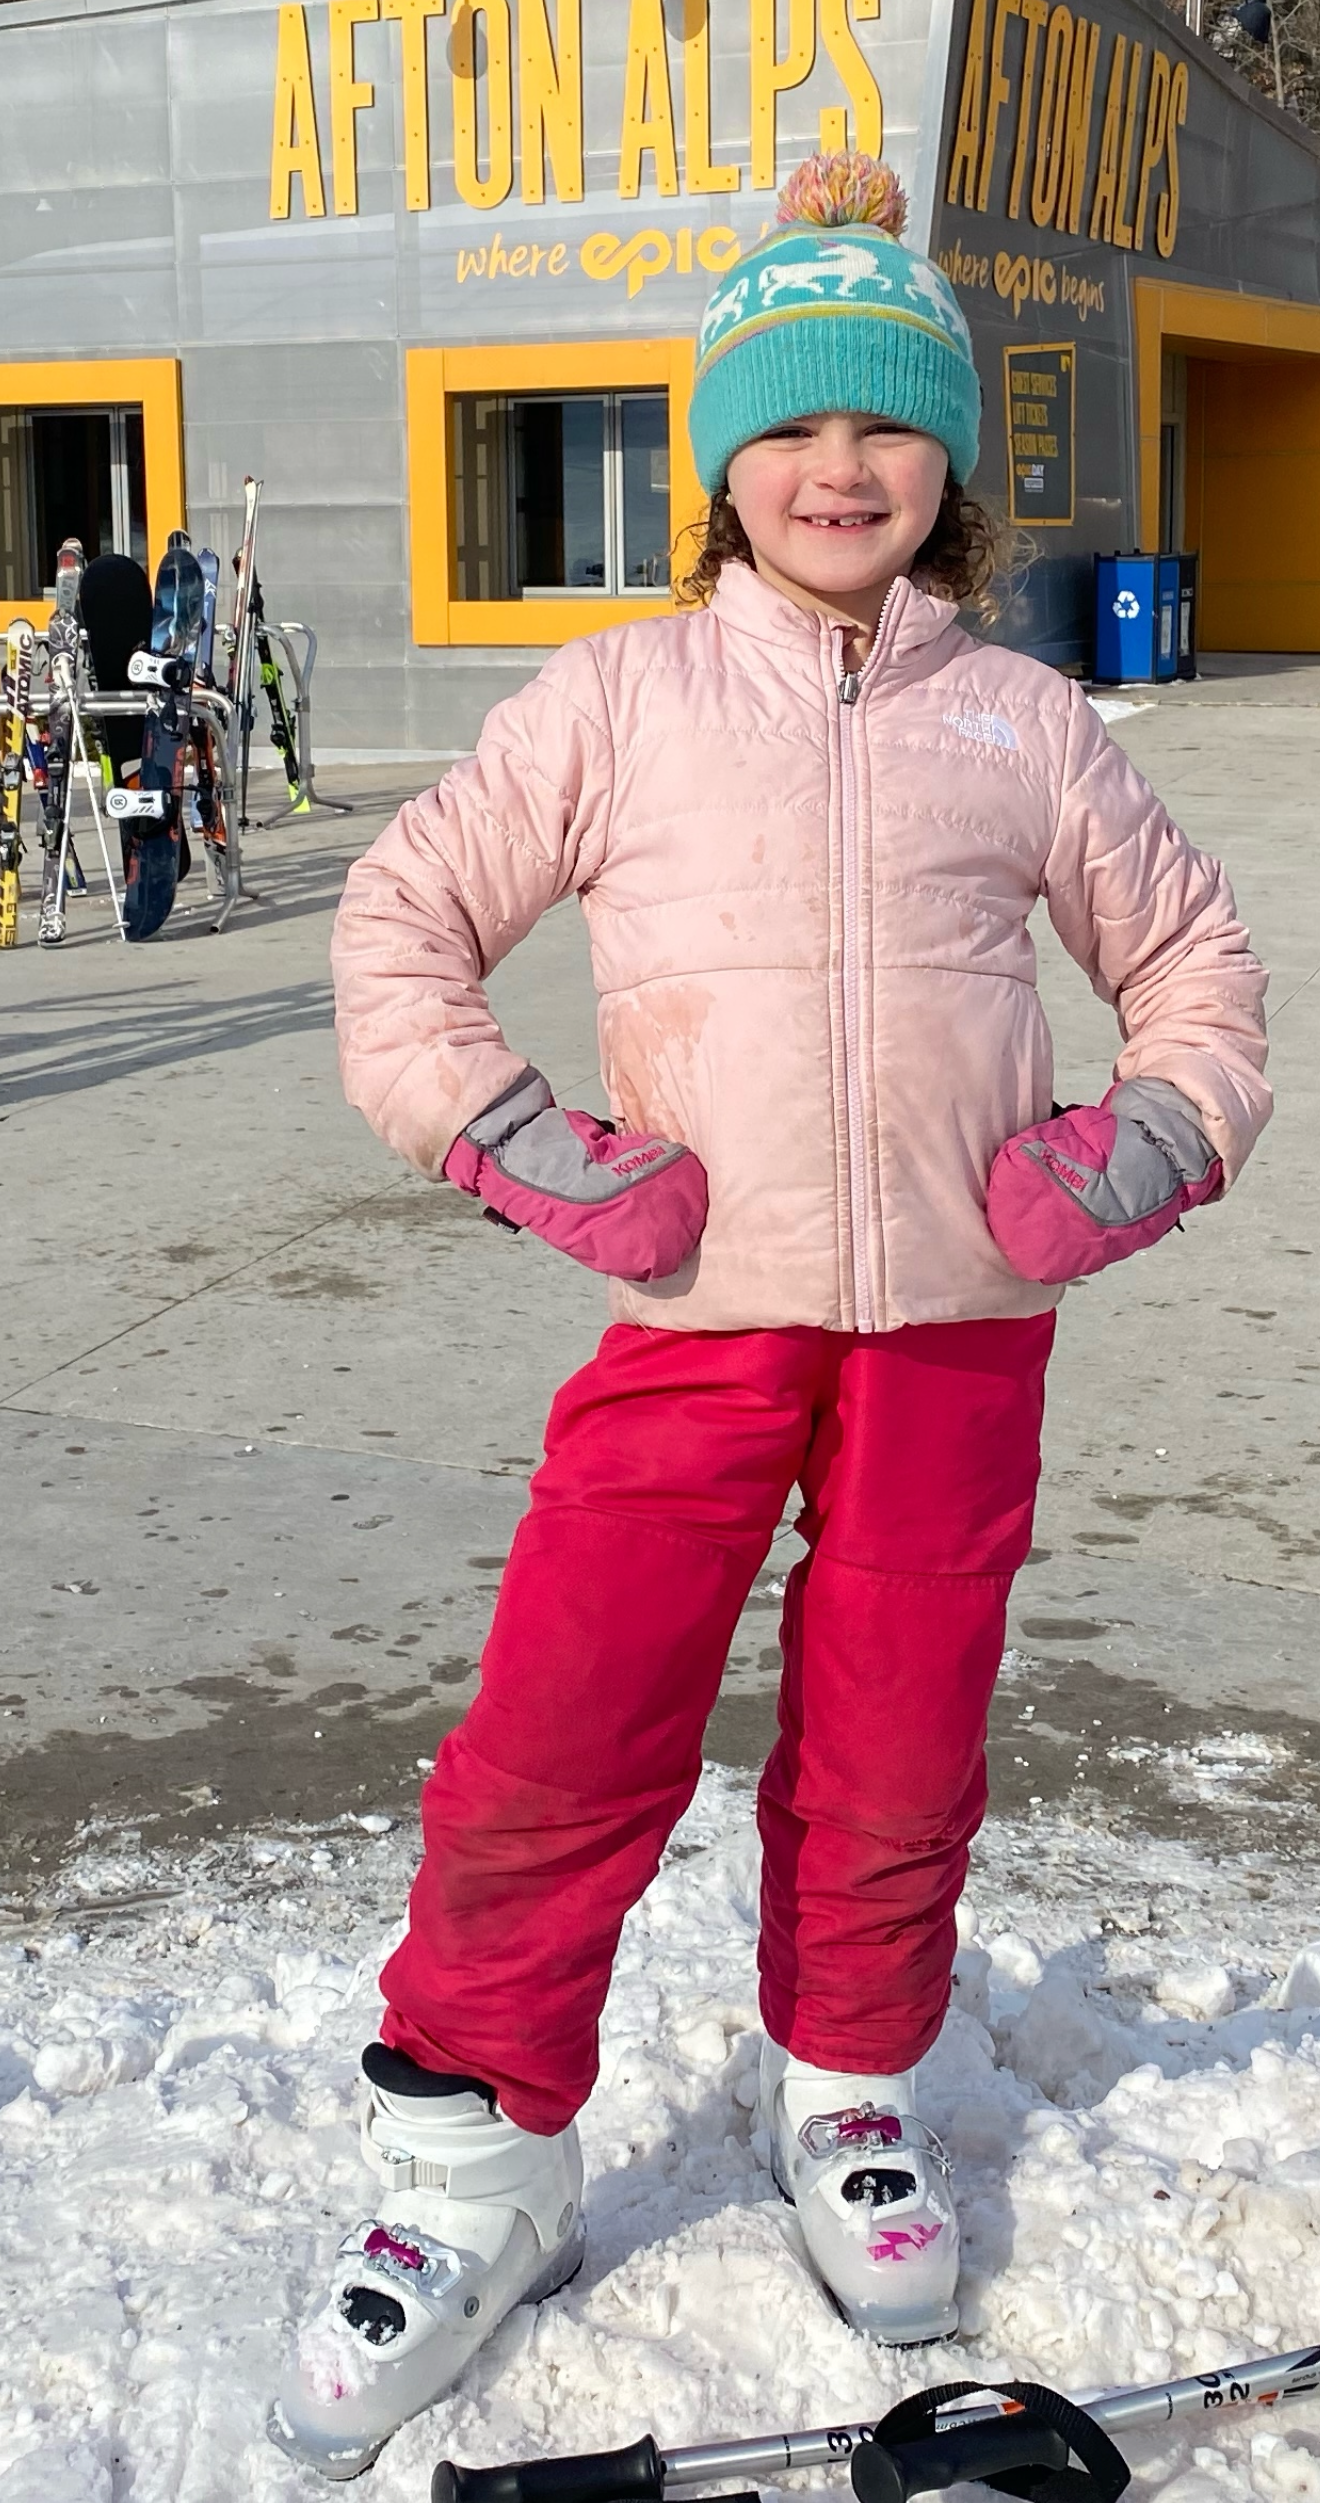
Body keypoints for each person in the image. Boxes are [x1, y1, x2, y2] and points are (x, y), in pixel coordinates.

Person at [270, 153, 1270, 2477]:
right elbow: (400, 931)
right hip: (692, 1315)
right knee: (565, 1728)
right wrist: (532, 1144)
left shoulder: (1023, 722)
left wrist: (1126, 1150)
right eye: (793, 424)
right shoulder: (616, 703)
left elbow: (1201, 973)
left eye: (889, 423)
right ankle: (473, 2162)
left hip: (961, 1333)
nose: (841, 466)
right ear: (720, 460)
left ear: (950, 463)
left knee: (901, 1740)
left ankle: (852, 2085)